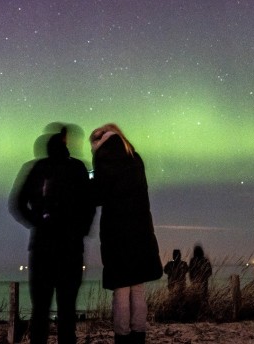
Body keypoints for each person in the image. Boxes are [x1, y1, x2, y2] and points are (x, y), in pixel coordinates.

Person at [10, 125, 95, 344]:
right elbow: (89, 205)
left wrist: (37, 223)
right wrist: (80, 231)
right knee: (67, 310)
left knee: (40, 310)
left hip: (42, 249)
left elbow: (17, 203)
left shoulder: (36, 168)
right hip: (71, 249)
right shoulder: (78, 168)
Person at [90, 123, 163, 344]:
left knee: (121, 289)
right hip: (140, 231)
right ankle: (138, 334)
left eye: (91, 146)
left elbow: (98, 195)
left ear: (98, 141)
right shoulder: (134, 156)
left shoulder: (104, 157)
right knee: (137, 288)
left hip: (117, 232)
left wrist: (89, 182)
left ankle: (122, 337)